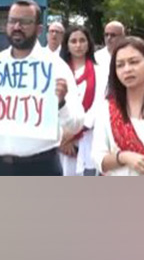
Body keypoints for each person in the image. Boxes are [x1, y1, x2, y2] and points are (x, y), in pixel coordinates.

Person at [0, 0, 84, 176]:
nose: (17, 26)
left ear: (39, 29)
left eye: (25, 22)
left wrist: (61, 103)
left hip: (39, 168)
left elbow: (77, 123)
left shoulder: (56, 67)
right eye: (12, 21)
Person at [92, 36, 144, 176]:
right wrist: (124, 157)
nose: (127, 69)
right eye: (120, 65)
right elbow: (98, 158)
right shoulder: (107, 109)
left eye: (134, 62)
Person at [58, 26, 107, 176]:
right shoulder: (57, 70)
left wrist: (74, 133)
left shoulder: (101, 71)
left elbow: (100, 104)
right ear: (66, 45)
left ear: (88, 44)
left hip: (87, 137)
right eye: (73, 41)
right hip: (59, 137)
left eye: (82, 41)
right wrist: (62, 137)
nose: (78, 45)